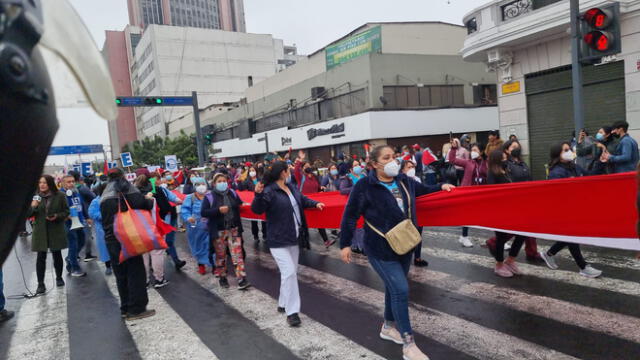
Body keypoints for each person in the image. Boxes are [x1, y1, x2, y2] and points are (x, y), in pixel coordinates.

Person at [339, 145, 453, 360]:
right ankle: (409, 345)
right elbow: (350, 215)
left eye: (394, 156)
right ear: (374, 163)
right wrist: (345, 244)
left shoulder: (404, 180)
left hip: (405, 245)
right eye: (387, 157)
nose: (394, 161)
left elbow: (424, 191)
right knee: (400, 289)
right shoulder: (365, 186)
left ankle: (388, 327)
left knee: (393, 289)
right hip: (380, 249)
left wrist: (442, 186)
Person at [251, 161, 325, 327]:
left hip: (294, 236)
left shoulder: (290, 186)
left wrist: (315, 203)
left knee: (289, 273)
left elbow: (302, 199)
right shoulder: (269, 191)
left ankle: (283, 302)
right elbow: (257, 209)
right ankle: (292, 312)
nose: (291, 172)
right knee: (289, 272)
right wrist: (257, 195)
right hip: (278, 239)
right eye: (288, 170)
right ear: (283, 172)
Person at [539, 142, 603, 278]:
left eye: (569, 149)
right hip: (564, 211)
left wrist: (601, 163)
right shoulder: (556, 173)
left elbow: (590, 176)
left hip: (577, 208)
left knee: (568, 237)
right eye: (566, 150)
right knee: (572, 237)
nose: (569, 152)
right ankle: (583, 267)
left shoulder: (574, 166)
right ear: (558, 155)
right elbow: (556, 196)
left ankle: (548, 254)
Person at [100, 168, 156, 320]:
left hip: (111, 239)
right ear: (123, 176)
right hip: (128, 238)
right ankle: (136, 309)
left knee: (121, 274)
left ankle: (125, 307)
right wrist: (149, 199)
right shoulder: (126, 189)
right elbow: (143, 203)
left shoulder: (104, 194)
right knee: (135, 272)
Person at [202, 173, 251, 289]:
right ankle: (223, 277)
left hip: (233, 229)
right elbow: (204, 212)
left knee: (237, 255)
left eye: (224, 181)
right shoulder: (209, 196)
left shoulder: (232, 193)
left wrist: (245, 205)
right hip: (219, 231)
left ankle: (242, 279)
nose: (222, 183)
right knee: (221, 256)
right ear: (214, 184)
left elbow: (239, 204)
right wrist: (218, 210)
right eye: (219, 181)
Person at [486, 150, 527, 278]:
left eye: (506, 157)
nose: (506, 159)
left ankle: (510, 260)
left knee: (522, 233)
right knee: (501, 238)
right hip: (499, 211)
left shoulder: (507, 171)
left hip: (512, 208)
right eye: (503, 158)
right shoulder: (492, 173)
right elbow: (492, 192)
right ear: (497, 160)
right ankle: (499, 265)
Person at [28, 175, 70, 293]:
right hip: (40, 231)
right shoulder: (35, 197)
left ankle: (59, 277)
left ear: (50, 184)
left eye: (45, 183)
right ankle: (40, 284)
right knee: (41, 257)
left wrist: (57, 216)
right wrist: (33, 205)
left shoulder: (60, 196)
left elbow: (66, 211)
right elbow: (27, 214)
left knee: (57, 254)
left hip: (55, 229)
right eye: (40, 182)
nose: (42, 185)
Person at [449, 139, 488, 248]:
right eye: (471, 150)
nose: (472, 152)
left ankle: (498, 238)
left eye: (475, 150)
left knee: (490, 215)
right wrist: (453, 148)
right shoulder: (468, 162)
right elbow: (452, 160)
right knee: (467, 215)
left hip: (482, 194)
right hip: (469, 193)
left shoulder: (487, 163)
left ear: (481, 151)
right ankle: (464, 237)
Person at [294, 151, 333, 248]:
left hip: (314, 203)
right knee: (304, 223)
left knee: (319, 220)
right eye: (305, 166)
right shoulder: (301, 177)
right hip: (304, 203)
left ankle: (326, 241)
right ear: (302, 169)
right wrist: (300, 160)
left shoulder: (315, 177)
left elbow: (319, 187)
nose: (308, 167)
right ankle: (303, 243)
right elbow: (295, 171)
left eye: (309, 165)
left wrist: (322, 189)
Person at [181, 177, 213, 275]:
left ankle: (214, 265)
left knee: (211, 245)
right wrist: (188, 217)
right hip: (195, 228)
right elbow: (185, 210)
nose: (201, 187)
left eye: (203, 184)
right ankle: (201, 265)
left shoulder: (211, 195)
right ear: (194, 186)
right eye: (198, 185)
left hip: (210, 225)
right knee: (198, 246)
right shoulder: (190, 197)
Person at [400, 160, 429, 267]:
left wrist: (442, 186)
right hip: (406, 215)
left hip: (418, 212)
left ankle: (417, 257)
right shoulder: (400, 182)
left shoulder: (416, 180)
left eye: (413, 167)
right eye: (409, 167)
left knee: (418, 235)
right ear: (402, 170)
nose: (412, 169)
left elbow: (424, 190)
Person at [157, 171, 187, 270]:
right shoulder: (150, 192)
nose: (159, 181)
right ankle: (155, 269)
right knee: (157, 246)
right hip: (159, 220)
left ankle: (176, 260)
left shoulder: (164, 189)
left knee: (169, 240)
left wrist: (183, 201)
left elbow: (175, 198)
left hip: (171, 217)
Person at [61, 175, 87, 277]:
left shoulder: (76, 192)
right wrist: (67, 216)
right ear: (63, 183)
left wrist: (86, 216)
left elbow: (82, 204)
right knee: (73, 244)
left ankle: (70, 258)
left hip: (79, 221)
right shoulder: (60, 194)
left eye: (72, 181)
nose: (71, 183)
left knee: (82, 241)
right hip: (67, 223)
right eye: (68, 182)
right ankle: (74, 268)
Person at [68, 170, 97, 262]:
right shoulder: (82, 188)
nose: (70, 183)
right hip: (83, 215)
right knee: (87, 236)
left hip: (75, 216)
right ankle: (85, 255)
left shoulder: (68, 190)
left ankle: (74, 256)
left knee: (77, 237)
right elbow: (93, 197)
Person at [88, 183, 112, 276]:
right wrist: (104, 216)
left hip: (113, 226)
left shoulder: (112, 198)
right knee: (105, 248)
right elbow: (92, 213)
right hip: (102, 228)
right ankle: (108, 266)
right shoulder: (96, 201)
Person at [239, 166, 267, 242]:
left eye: (253, 170)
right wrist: (240, 181)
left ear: (256, 171)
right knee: (253, 221)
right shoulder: (246, 181)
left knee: (263, 219)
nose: (252, 172)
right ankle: (255, 236)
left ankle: (265, 235)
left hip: (261, 201)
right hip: (252, 203)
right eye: (250, 170)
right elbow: (241, 189)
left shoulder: (261, 180)